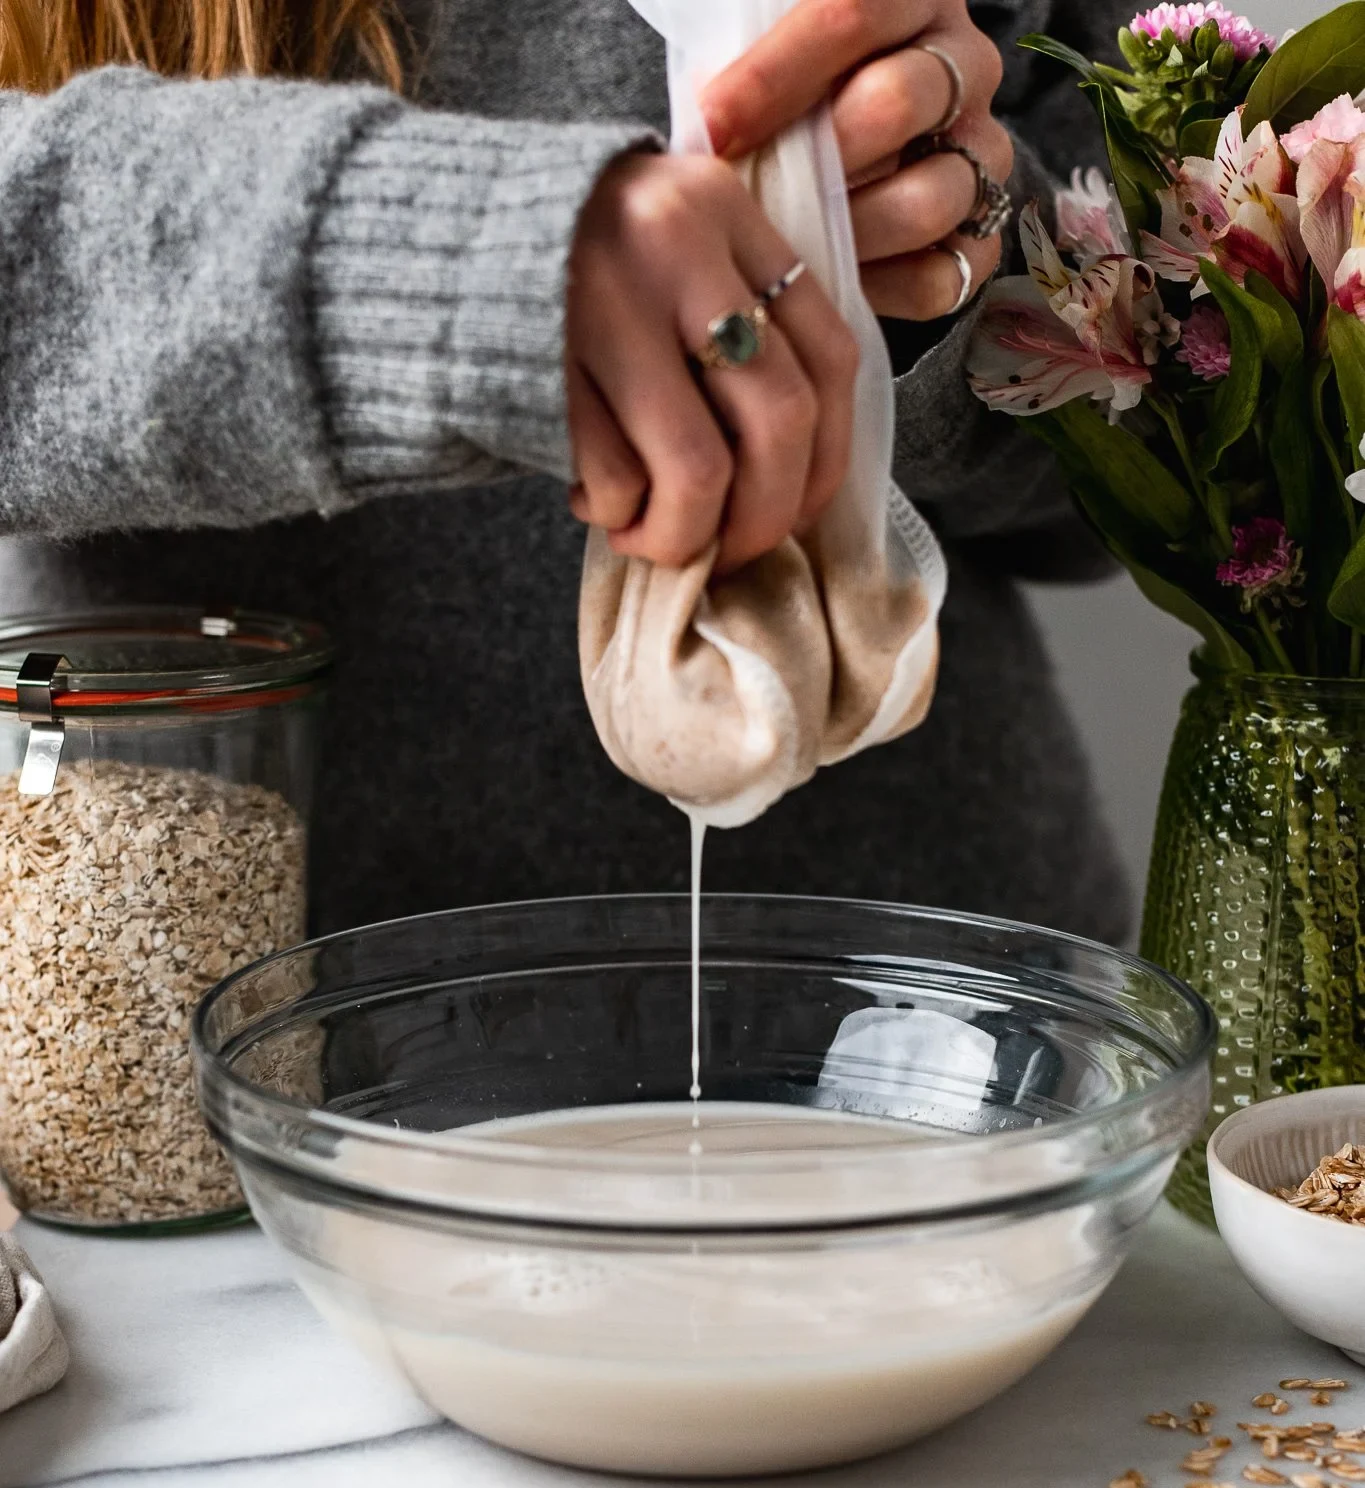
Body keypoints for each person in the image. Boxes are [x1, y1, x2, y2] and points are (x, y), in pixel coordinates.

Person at [0, 0, 1129, 941]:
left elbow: (1173, 472)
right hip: (195, 1077)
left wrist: (956, 249)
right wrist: (454, 260)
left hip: (934, 1044)